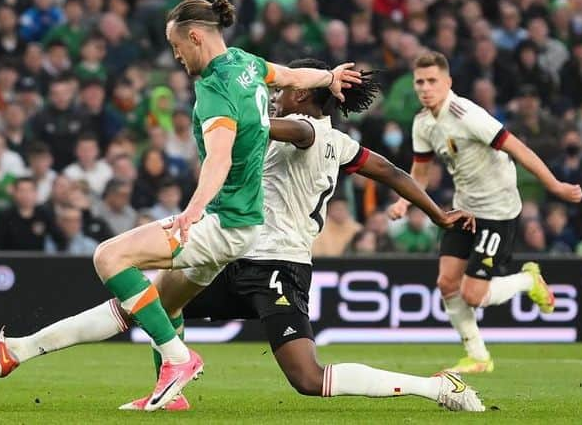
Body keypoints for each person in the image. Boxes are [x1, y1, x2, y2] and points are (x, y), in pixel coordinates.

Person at [0, 0, 360, 411]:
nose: (176, 56)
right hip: (240, 224)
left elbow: (219, 158)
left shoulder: (215, 89)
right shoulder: (247, 64)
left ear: (194, 36)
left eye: (176, 46)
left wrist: (192, 211)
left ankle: (177, 359)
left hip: (223, 222)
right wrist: (328, 77)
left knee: (109, 258)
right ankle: (18, 353)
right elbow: (293, 75)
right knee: (159, 306)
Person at [177, 58, 482, 412]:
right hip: (238, 255)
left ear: (302, 92)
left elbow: (252, 123)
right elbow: (393, 172)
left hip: (276, 266)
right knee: (156, 304)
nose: (276, 94)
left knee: (309, 379)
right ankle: (171, 386)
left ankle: (436, 387)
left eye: (283, 89)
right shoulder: (340, 142)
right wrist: (439, 215)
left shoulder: (303, 130)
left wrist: (224, 93)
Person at [387, 51, 582, 374]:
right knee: (447, 283)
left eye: (432, 80)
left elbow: (517, 148)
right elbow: (421, 170)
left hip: (497, 209)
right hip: (465, 207)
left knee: (473, 295)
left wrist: (555, 185)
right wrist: (405, 201)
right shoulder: (422, 123)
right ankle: (477, 356)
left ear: (448, 83)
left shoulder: (466, 114)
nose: (425, 87)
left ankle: (526, 280)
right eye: (419, 82)